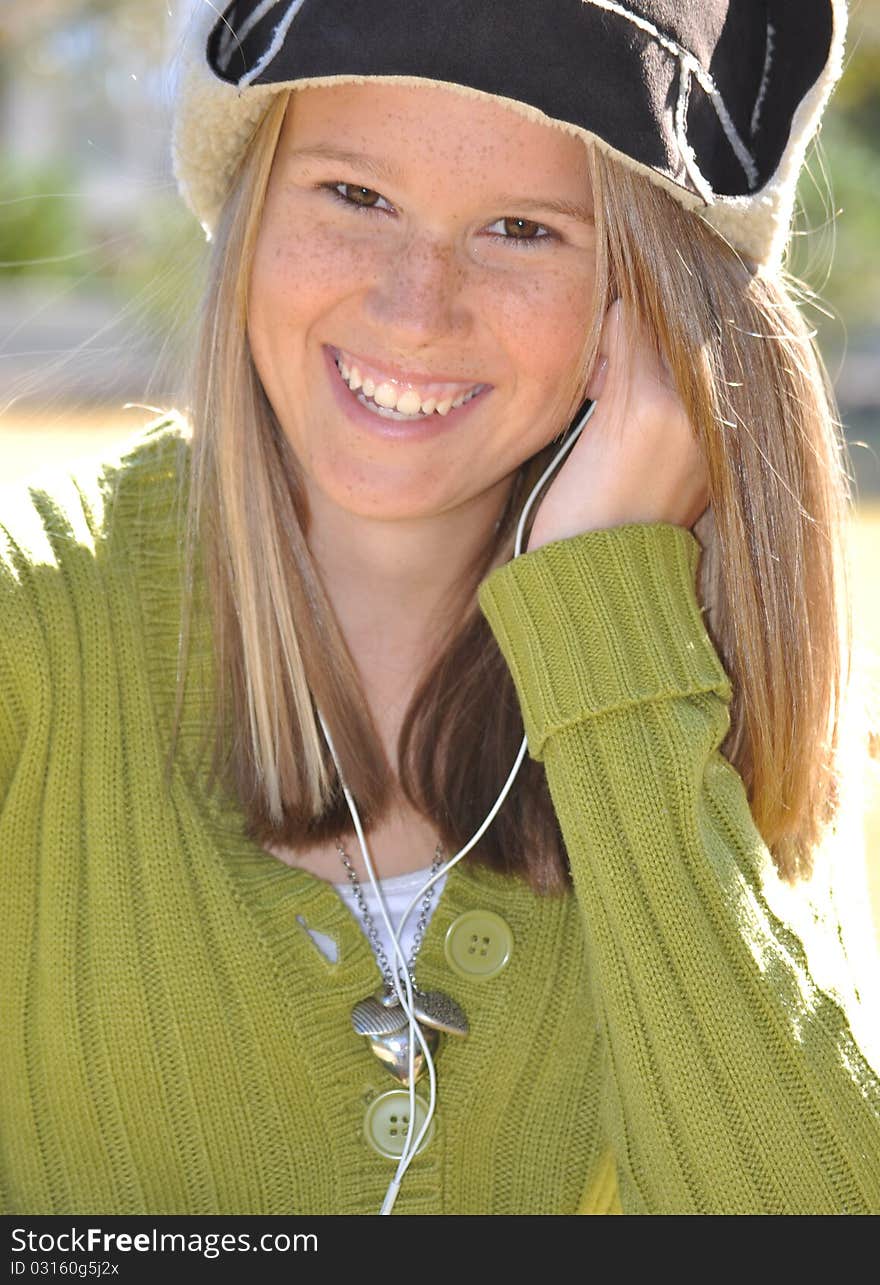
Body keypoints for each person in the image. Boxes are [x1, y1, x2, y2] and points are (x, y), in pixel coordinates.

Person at [2, 0, 879, 1216]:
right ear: (250, 209)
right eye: (353, 196)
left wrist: (612, 639)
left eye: (523, 231)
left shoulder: (711, 705)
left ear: (645, 311)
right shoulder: (25, 634)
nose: (416, 304)